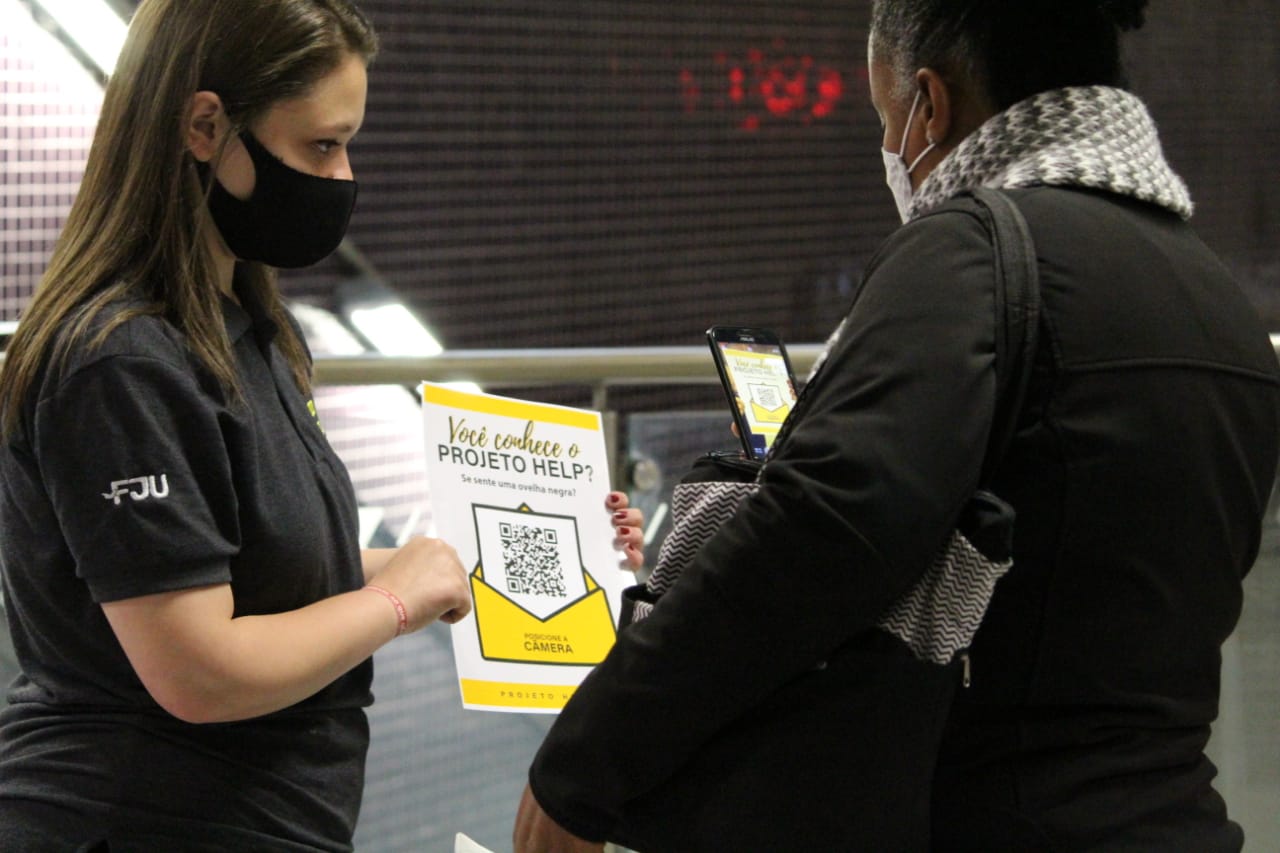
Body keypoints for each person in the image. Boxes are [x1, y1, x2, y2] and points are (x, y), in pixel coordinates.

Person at [513, 1, 1280, 850]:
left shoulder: (971, 252)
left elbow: (824, 520)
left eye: (885, 119)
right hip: (1172, 819)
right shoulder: (1217, 304)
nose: (890, 149)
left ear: (928, 104)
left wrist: (584, 765)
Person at [0, 1, 645, 849]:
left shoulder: (254, 329)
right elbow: (197, 668)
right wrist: (395, 599)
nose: (341, 177)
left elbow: (269, 566)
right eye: (320, 145)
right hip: (133, 817)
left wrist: (537, 561)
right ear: (205, 127)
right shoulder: (120, 363)